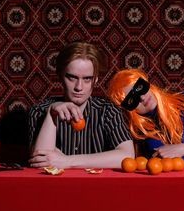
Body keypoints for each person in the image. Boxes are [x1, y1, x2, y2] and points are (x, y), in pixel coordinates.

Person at [28, 41, 134, 169]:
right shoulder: (40, 111)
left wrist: (67, 161)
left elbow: (127, 156)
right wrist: (51, 114)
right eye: (72, 77)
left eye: (87, 79)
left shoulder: (108, 111)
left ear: (95, 80)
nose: (79, 87)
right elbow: (40, 161)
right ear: (61, 76)